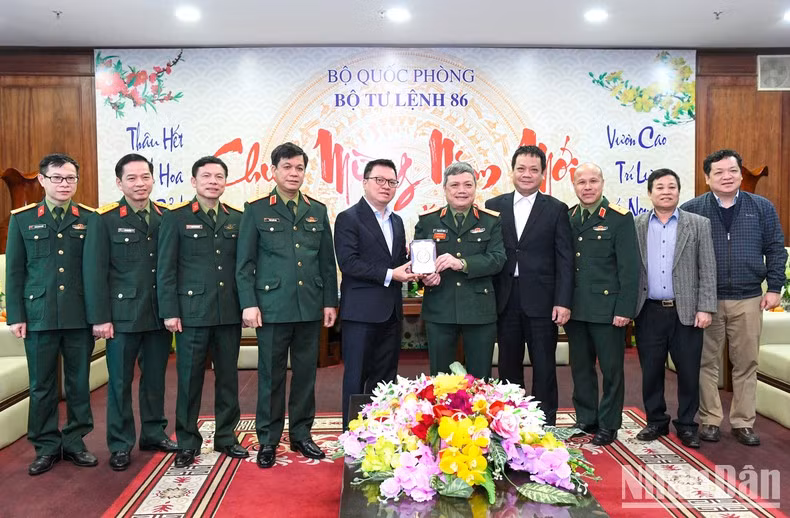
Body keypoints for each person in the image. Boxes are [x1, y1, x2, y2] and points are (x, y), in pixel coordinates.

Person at [236, 142, 338, 469]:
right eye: (287, 168)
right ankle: (268, 439)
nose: (293, 174)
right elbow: (245, 263)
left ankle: (301, 435)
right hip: (272, 306)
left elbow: (326, 261)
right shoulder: (256, 209)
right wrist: (249, 304)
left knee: (306, 375)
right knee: (271, 376)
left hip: (309, 306)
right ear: (273, 171)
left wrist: (329, 302)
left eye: (299, 168)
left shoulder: (317, 209)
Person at [681, 149, 787, 446]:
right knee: (706, 362)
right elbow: (685, 258)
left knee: (746, 362)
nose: (726, 177)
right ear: (707, 178)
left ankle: (743, 422)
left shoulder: (761, 207)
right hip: (707, 301)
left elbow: (776, 249)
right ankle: (710, 420)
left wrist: (775, 287)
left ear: (741, 174)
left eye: (732, 171)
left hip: (749, 297)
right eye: (719, 172)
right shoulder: (693, 210)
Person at [5, 153, 98, 475]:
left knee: (78, 383)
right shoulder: (22, 219)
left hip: (78, 315)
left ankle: (75, 442)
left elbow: (96, 272)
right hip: (39, 314)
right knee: (41, 385)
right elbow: (15, 272)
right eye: (57, 177)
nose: (64, 184)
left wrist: (98, 315)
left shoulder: (90, 218)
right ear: (43, 180)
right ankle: (45, 446)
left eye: (70, 178)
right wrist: (16, 315)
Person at [83, 154, 177, 471]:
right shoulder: (105, 219)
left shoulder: (165, 217)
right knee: (120, 383)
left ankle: (153, 433)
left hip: (158, 314)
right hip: (121, 317)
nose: (140, 183)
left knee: (155, 380)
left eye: (145, 176)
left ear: (153, 179)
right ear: (120, 182)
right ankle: (121, 444)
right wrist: (100, 317)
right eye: (132, 178)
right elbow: (94, 271)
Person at [157, 156, 248, 468]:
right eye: (206, 176)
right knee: (189, 380)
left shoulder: (236, 217)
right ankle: (187, 441)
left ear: (225, 182)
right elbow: (165, 269)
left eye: (219, 176)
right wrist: (170, 311)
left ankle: (226, 437)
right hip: (191, 313)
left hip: (228, 313)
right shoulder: (176, 218)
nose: (213, 181)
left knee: (228, 379)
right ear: (193, 182)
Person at [485, 145, 573, 426]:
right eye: (521, 169)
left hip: (543, 300)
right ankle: (509, 421)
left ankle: (545, 422)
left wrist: (563, 300)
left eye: (534, 170)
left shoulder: (557, 209)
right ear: (512, 171)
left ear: (543, 174)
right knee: (508, 364)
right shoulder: (493, 206)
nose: (527, 174)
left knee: (544, 364)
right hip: (505, 298)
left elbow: (565, 258)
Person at [633, 168, 717, 449]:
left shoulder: (698, 224)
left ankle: (687, 425)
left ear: (679, 192)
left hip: (688, 311)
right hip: (649, 311)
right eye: (660, 187)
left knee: (689, 371)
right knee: (651, 371)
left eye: (671, 186)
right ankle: (656, 421)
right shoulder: (636, 225)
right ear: (650, 193)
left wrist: (705, 307)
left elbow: (707, 269)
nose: (666, 191)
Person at [334, 159, 416, 428]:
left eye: (392, 182)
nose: (386, 186)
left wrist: (417, 264)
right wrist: (392, 274)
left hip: (391, 311)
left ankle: (382, 432)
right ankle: (352, 435)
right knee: (356, 377)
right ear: (365, 182)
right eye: (379, 180)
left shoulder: (397, 221)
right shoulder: (348, 218)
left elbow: (396, 261)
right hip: (360, 312)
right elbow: (349, 262)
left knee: (385, 378)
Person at [565, 162, 638, 446]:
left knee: (611, 370)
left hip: (608, 311)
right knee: (580, 368)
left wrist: (624, 310)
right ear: (574, 185)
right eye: (581, 182)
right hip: (575, 308)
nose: (587, 187)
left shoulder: (619, 218)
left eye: (593, 181)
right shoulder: (569, 217)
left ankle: (609, 424)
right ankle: (587, 419)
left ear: (602, 183)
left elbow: (630, 269)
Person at [413, 162, 506, 379]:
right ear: (445, 189)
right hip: (440, 307)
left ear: (475, 187)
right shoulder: (428, 221)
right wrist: (424, 277)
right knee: (440, 379)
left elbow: (498, 259)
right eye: (454, 185)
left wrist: (461, 263)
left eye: (467, 184)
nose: (461, 190)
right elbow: (418, 264)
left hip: (479, 308)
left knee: (480, 378)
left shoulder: (491, 221)